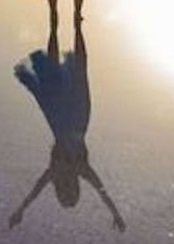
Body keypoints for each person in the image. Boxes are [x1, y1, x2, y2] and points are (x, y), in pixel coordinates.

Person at [9, 30, 126, 232]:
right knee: (73, 74)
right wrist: (116, 215)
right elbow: (102, 192)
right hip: (76, 117)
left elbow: (35, 192)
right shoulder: (81, 170)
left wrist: (21, 210)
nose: (68, 188)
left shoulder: (57, 172)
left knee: (55, 79)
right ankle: (71, 24)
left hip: (65, 121)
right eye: (71, 192)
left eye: (66, 193)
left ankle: (56, 24)